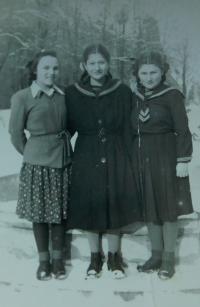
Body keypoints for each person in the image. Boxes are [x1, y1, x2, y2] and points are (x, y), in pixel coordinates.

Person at [66, 44, 141, 279]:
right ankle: (94, 256)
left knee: (114, 201)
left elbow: (130, 128)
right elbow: (66, 129)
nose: (97, 67)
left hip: (116, 151)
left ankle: (114, 257)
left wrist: (131, 158)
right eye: (92, 63)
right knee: (90, 202)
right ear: (84, 66)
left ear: (108, 64)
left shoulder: (122, 91)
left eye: (101, 62)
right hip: (86, 153)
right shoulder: (72, 93)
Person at [9, 50, 72, 281]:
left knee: (60, 213)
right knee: (40, 214)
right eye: (46, 68)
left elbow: (70, 125)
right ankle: (43, 262)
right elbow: (16, 134)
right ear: (35, 70)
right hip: (37, 164)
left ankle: (58, 261)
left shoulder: (63, 95)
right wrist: (32, 153)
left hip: (63, 161)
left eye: (55, 68)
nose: (51, 72)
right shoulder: (22, 97)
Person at [130, 51, 193, 279]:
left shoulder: (172, 95)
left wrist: (183, 159)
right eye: (144, 73)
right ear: (137, 74)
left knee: (167, 208)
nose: (149, 77)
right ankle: (155, 256)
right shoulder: (134, 97)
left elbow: (182, 129)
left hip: (166, 157)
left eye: (153, 72)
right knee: (150, 207)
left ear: (162, 72)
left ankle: (168, 259)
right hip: (141, 157)